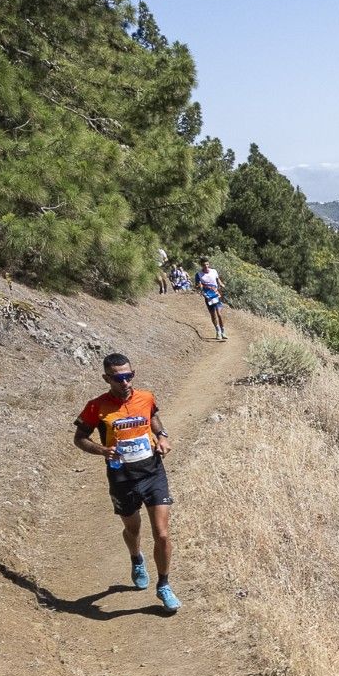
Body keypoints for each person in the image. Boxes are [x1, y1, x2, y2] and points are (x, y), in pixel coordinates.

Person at [73, 353, 180, 613]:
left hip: (152, 472)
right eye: (119, 378)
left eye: (129, 376)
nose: (125, 382)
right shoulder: (96, 406)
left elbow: (153, 418)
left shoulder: (146, 397)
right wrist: (102, 450)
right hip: (122, 477)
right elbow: (79, 438)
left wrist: (162, 436)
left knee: (162, 533)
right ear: (106, 378)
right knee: (133, 530)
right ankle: (136, 558)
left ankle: (164, 585)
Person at [193, 257, 227, 341]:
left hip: (216, 294)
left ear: (209, 264)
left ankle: (223, 331)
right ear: (201, 265)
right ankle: (217, 331)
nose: (206, 266)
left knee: (219, 314)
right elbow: (196, 285)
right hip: (208, 296)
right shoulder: (199, 274)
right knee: (213, 315)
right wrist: (199, 286)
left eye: (207, 264)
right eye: (204, 265)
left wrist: (221, 284)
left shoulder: (214, 271)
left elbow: (217, 279)